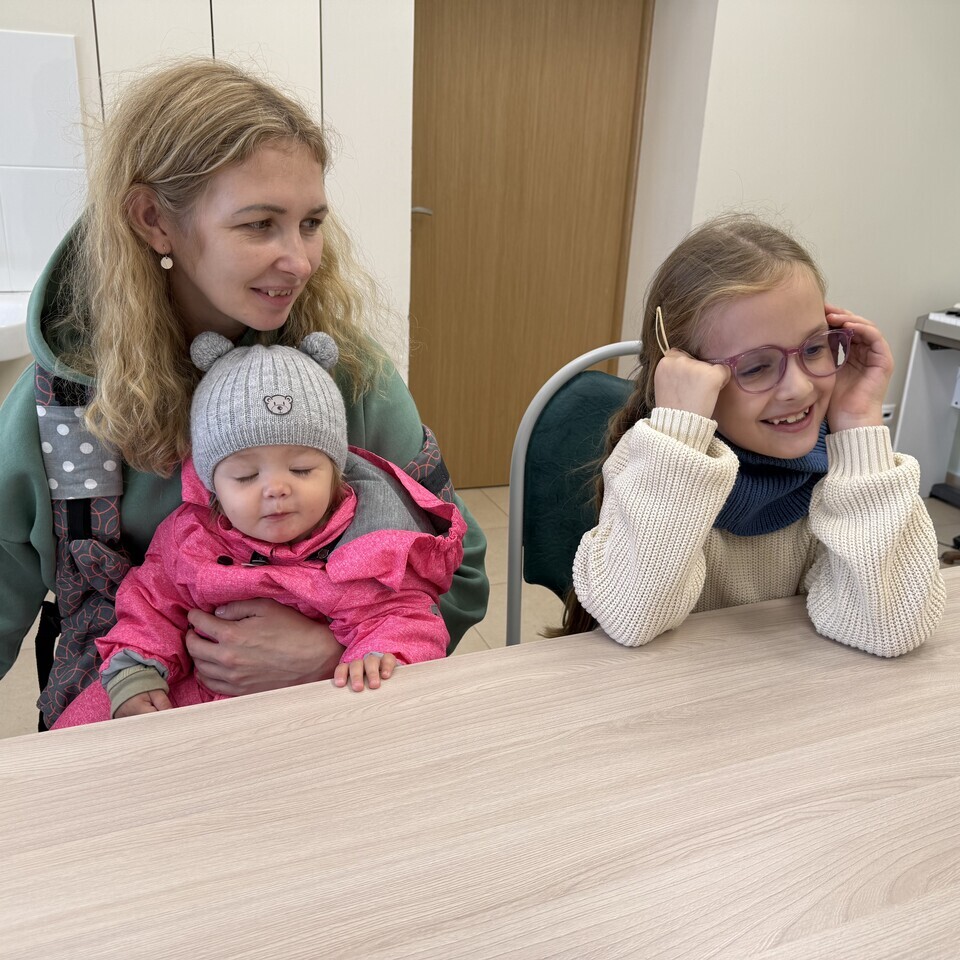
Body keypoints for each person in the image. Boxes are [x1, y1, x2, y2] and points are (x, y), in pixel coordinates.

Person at [0, 59, 488, 729]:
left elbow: (461, 574)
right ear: (153, 220)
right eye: (260, 224)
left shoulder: (347, 378)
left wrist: (329, 652)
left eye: (310, 223)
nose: (300, 260)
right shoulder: (62, 405)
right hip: (129, 726)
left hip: (320, 717)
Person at [563, 213, 945, 656]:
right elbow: (632, 618)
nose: (799, 388)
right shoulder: (657, 463)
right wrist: (679, 437)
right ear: (688, 372)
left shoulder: (842, 475)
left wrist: (860, 423)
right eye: (757, 366)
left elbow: (891, 627)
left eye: (814, 348)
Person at [52, 332, 465, 727]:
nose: (276, 489)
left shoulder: (370, 546)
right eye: (246, 476)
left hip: (313, 708)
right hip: (191, 700)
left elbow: (405, 615)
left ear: (337, 473)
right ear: (211, 484)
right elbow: (151, 603)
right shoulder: (189, 539)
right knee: (85, 735)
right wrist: (136, 671)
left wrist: (380, 655)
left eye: (301, 469)